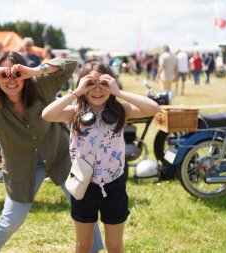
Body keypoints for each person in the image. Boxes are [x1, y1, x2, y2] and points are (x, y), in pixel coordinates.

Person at [0, 51, 104, 253]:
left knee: (83, 206)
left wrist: (35, 70)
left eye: (16, 73)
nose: (11, 80)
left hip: (59, 155)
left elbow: (71, 63)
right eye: (4, 74)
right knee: (10, 221)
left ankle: (94, 250)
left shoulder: (40, 85)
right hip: (21, 168)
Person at [42, 62, 159, 253]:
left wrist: (118, 92)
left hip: (114, 184)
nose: (97, 90)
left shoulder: (121, 111)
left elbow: (153, 108)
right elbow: (47, 115)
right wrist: (76, 92)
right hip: (84, 185)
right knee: (83, 246)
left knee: (114, 246)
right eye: (91, 84)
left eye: (103, 84)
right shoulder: (75, 112)